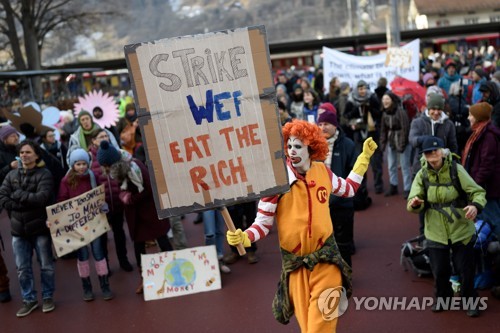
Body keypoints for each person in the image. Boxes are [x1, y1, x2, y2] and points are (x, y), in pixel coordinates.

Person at [227, 120, 377, 332]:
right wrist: (245, 237)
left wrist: (363, 159)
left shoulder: (323, 172)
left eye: (298, 146)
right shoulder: (276, 181)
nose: (292, 151)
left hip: (327, 259)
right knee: (307, 326)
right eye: (289, 146)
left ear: (311, 147)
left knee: (320, 325)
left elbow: (349, 188)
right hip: (295, 265)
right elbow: (262, 223)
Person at [407, 136, 486, 317]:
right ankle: (444, 298)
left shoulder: (456, 170)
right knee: (440, 270)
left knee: (465, 270)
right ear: (424, 156)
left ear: (443, 151)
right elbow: (412, 200)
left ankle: (470, 301)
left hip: (461, 228)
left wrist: (475, 205)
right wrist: (415, 203)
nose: (432, 155)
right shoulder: (422, 174)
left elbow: (477, 191)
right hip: (435, 230)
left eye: (435, 150)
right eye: (428, 152)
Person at [97, 140, 171, 294]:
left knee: (162, 240)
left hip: (150, 211)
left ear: (113, 162)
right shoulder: (118, 169)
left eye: (106, 165)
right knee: (138, 246)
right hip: (135, 215)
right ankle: (145, 279)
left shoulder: (134, 167)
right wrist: (125, 196)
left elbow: (149, 189)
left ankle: (173, 271)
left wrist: (129, 198)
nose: (105, 168)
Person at [0, 140, 55, 317]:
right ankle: (29, 299)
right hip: (18, 230)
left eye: (28, 152)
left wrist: (17, 196)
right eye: (22, 152)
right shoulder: (11, 175)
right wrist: (21, 203)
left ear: (36, 155)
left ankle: (47, 297)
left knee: (46, 266)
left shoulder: (44, 174)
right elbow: (2, 196)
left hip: (39, 229)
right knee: (22, 268)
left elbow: (42, 198)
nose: (24, 155)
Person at [57, 148, 113, 301]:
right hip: (77, 226)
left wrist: (103, 205)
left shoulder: (92, 176)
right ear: (72, 165)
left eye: (84, 163)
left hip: (94, 222)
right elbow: (62, 200)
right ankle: (86, 287)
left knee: (98, 253)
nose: (81, 167)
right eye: (78, 164)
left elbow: (99, 194)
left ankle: (105, 285)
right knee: (82, 256)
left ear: (88, 163)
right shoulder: (66, 181)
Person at [88, 129, 133, 272]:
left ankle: (123, 260)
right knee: (102, 238)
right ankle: (105, 264)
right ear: (93, 141)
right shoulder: (89, 158)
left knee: (120, 233)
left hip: (117, 203)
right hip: (101, 206)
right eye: (100, 136)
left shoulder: (116, 154)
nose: (104, 138)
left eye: (106, 136)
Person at [317, 111, 357, 266]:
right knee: (321, 243)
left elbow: (353, 173)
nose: (322, 127)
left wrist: (346, 194)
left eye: (326, 124)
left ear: (335, 125)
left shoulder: (348, 145)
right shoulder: (313, 146)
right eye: (320, 124)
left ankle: (346, 274)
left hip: (342, 203)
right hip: (319, 203)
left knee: (343, 244)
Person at [462, 103, 500, 240]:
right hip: (485, 185)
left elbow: (487, 165)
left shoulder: (488, 136)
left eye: (471, 115)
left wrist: (474, 184)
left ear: (478, 117)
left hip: (488, 187)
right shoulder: (481, 132)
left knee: (493, 219)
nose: (468, 117)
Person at [379, 92, 412, 198]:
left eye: (387, 99)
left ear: (392, 100)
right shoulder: (384, 113)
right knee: (391, 165)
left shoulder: (401, 111)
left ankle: (408, 188)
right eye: (383, 99)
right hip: (392, 139)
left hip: (403, 140)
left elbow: (405, 128)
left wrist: (402, 145)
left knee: (404, 165)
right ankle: (393, 185)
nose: (385, 101)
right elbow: (383, 130)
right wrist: (382, 144)